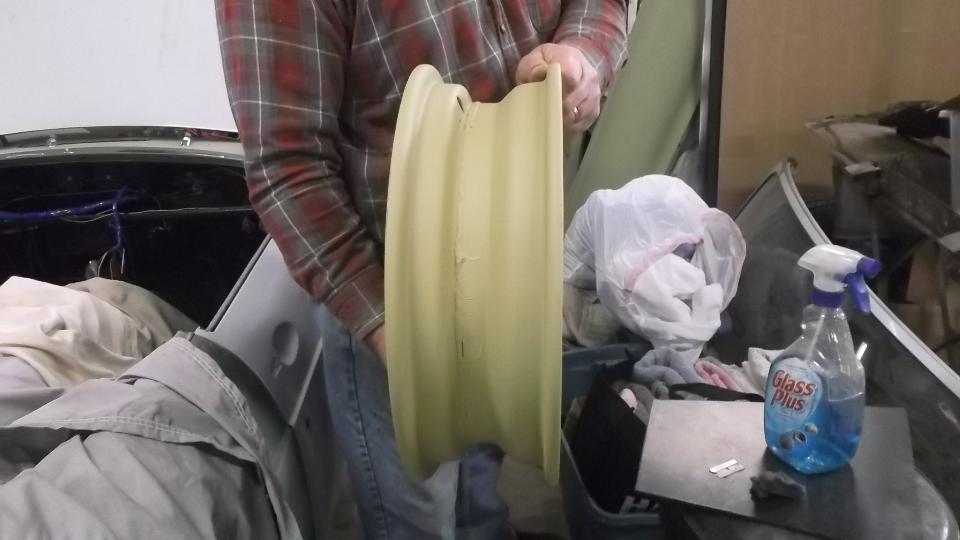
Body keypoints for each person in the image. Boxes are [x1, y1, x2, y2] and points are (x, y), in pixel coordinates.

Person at [215, 1, 628, 538]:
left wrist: (585, 55)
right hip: (393, 298)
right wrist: (395, 335)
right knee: (418, 521)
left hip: (511, 274)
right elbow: (288, 168)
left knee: (482, 489)